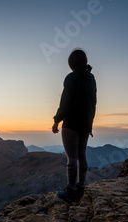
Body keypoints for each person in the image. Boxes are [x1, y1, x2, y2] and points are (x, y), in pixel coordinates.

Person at [52, 49, 97, 202]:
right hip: (85, 124)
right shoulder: (91, 78)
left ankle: (71, 189)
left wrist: (57, 120)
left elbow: (65, 102)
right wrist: (90, 124)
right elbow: (93, 103)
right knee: (82, 155)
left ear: (71, 63)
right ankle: (81, 187)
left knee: (71, 157)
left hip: (71, 123)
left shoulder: (71, 78)